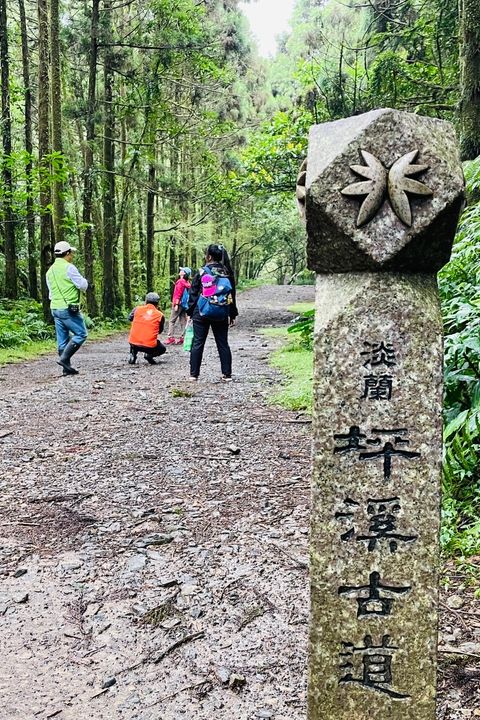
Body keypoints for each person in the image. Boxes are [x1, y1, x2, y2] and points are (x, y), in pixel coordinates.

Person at [187, 244, 238, 381]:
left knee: (198, 342)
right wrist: (232, 313)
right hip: (221, 310)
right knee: (222, 343)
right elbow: (231, 294)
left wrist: (190, 313)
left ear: (209, 256)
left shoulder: (202, 271)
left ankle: (194, 374)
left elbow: (193, 293)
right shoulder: (227, 272)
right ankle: (226, 374)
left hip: (202, 311)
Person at [46, 240, 88, 376]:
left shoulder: (49, 271)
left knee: (62, 338)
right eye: (71, 253)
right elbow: (82, 285)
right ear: (67, 253)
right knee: (81, 334)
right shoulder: (69, 267)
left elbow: (51, 293)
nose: (72, 256)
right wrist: (86, 282)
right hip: (68, 308)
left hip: (55, 308)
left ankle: (66, 368)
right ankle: (64, 359)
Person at [128, 292, 166, 365]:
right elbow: (160, 331)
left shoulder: (137, 309)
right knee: (162, 349)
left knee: (135, 337)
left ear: (145, 301)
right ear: (158, 303)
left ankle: (133, 355)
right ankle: (149, 355)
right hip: (149, 346)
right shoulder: (160, 315)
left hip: (133, 342)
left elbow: (130, 318)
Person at [165, 267, 192, 345]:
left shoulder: (180, 282)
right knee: (183, 320)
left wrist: (176, 304)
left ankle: (170, 338)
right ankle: (183, 337)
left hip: (178, 303)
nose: (180, 271)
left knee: (172, 320)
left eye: (182, 270)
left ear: (184, 273)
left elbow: (178, 293)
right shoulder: (188, 283)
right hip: (184, 304)